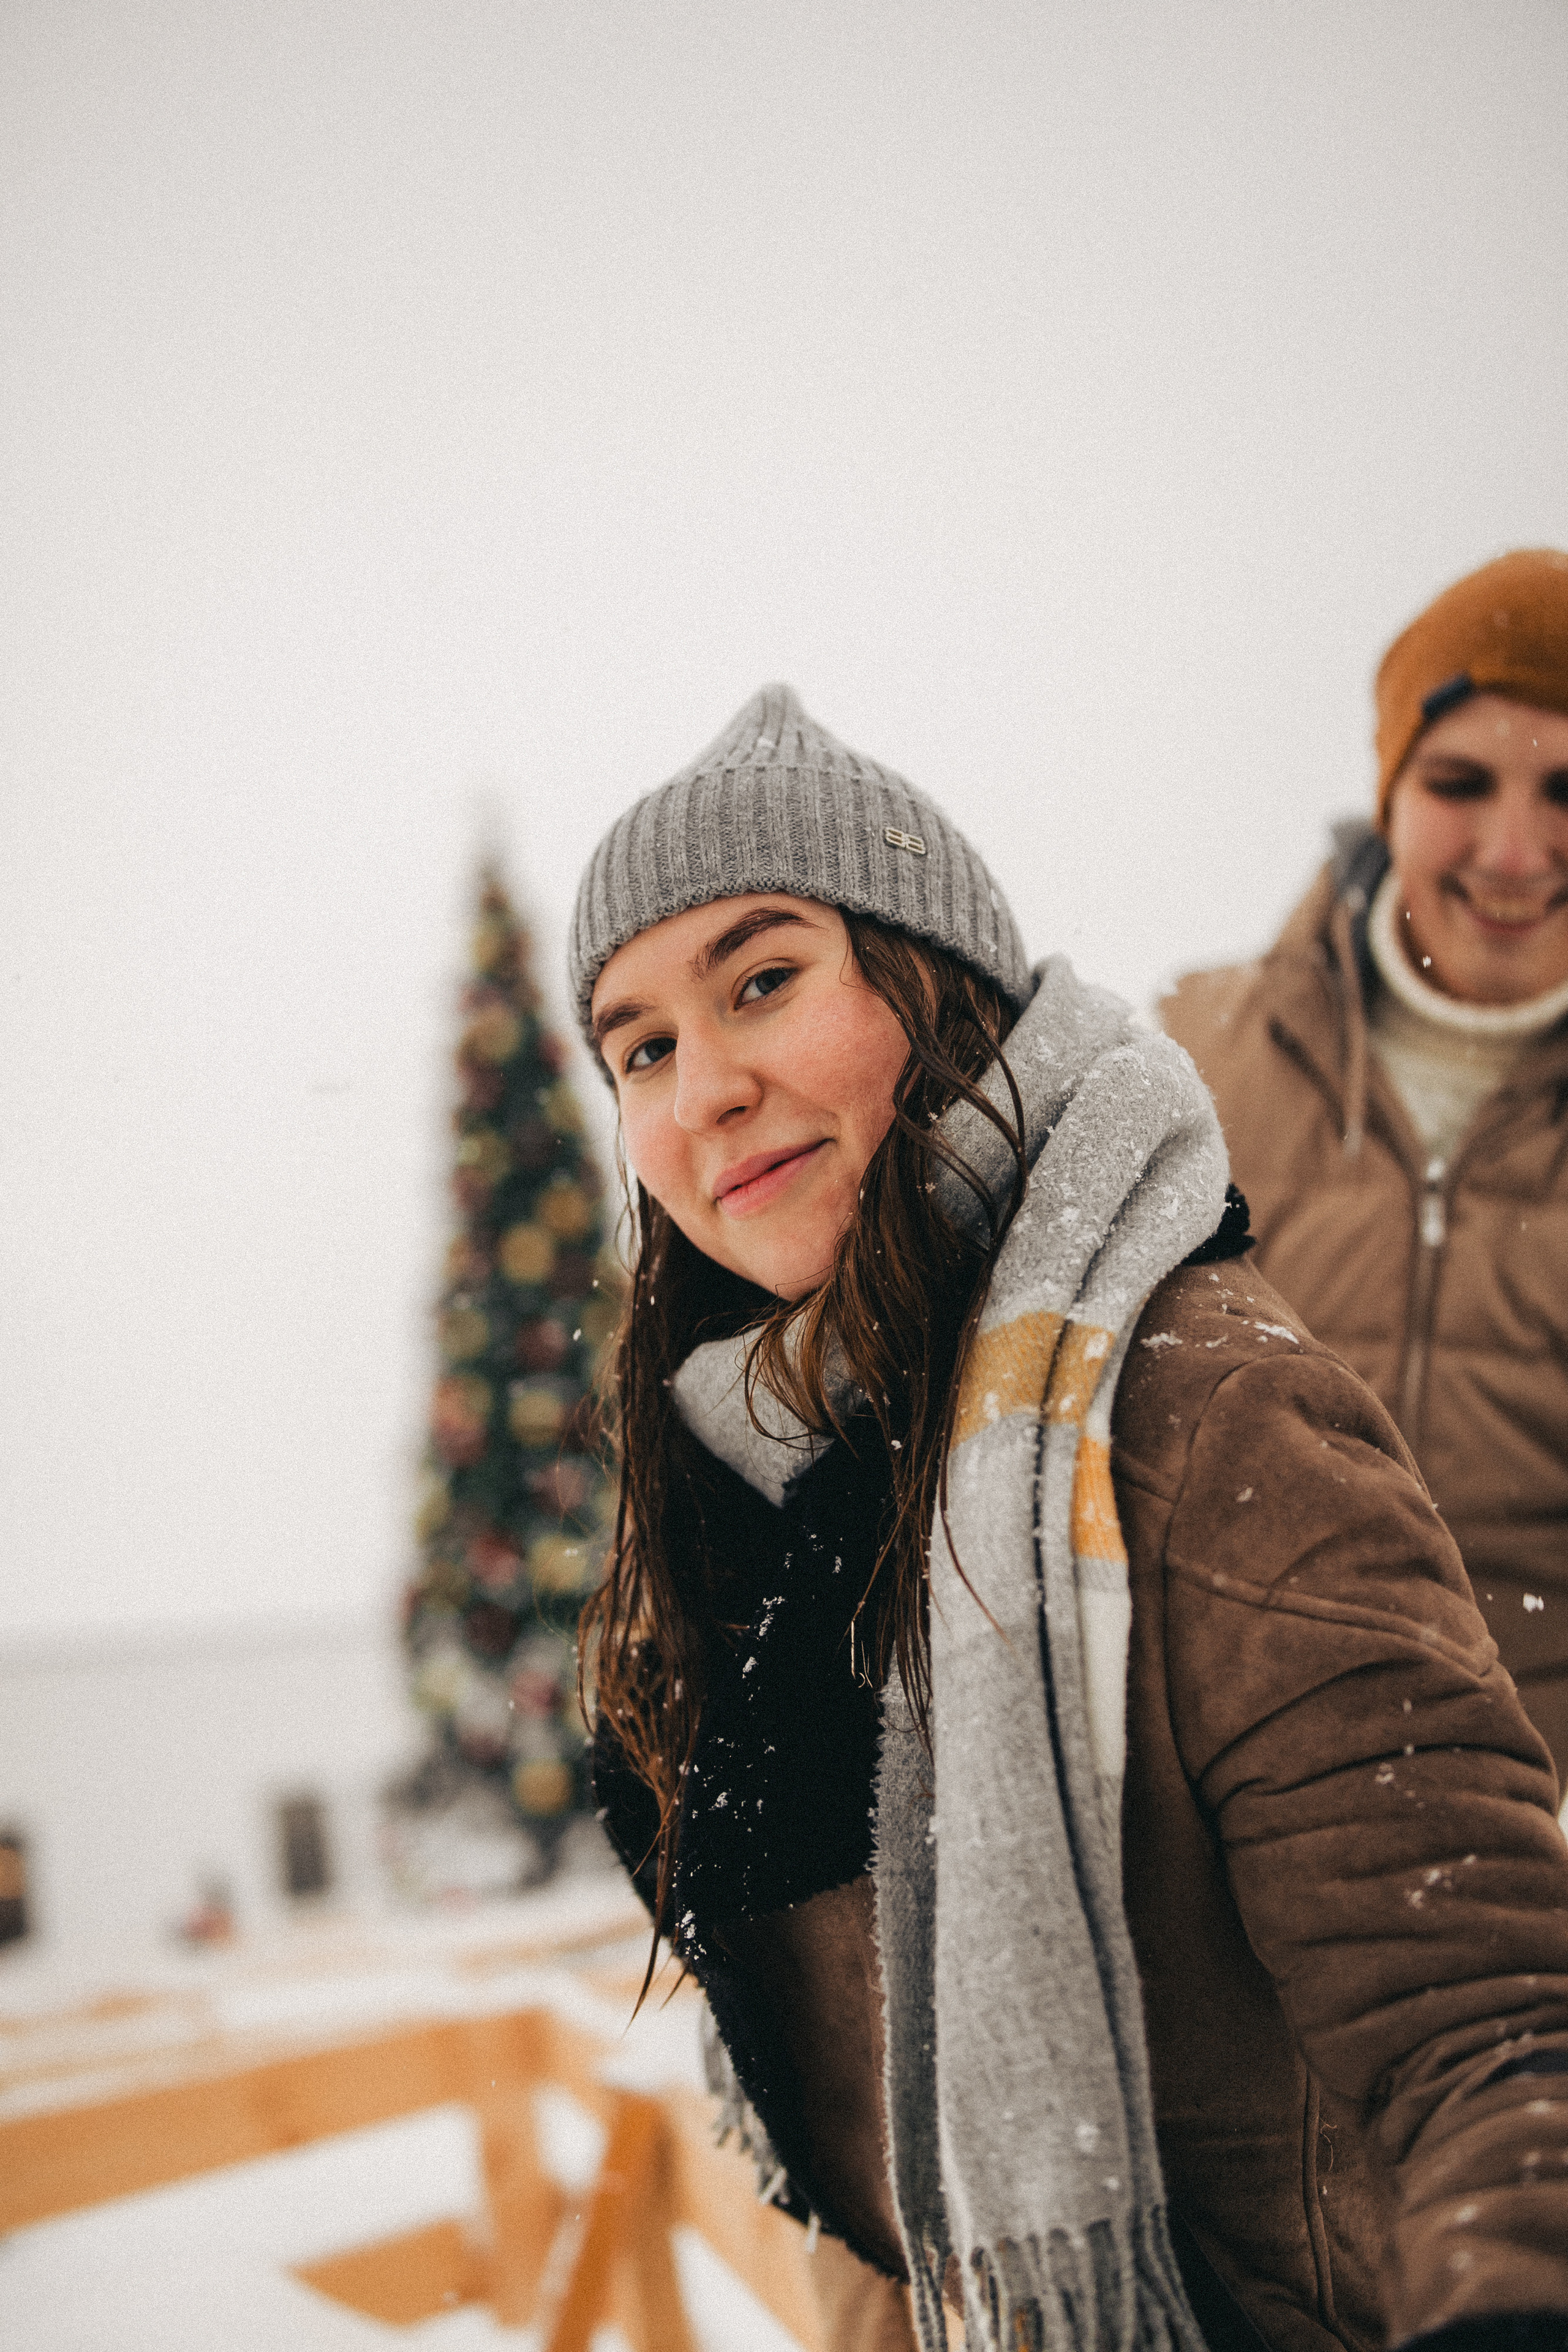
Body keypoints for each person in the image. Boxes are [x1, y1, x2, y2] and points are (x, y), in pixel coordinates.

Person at [570, 683, 1568, 2352]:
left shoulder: (1202, 1414)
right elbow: (888, 2184)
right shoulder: (756, 1503)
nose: (707, 1088)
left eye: (764, 981)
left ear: (932, 985)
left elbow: (1491, 2035)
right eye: (642, 1047)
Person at [1162, 550, 1568, 1777]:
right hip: (1234, 1809)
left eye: (1565, 789)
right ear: (1387, 790)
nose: (1512, 849)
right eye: (1457, 781)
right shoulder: (1190, 1060)